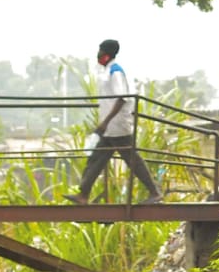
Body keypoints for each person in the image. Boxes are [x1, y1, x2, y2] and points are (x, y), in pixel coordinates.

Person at [67, 39, 161, 205]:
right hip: (110, 127)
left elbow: (121, 98)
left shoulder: (115, 72)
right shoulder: (109, 70)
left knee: (132, 160)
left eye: (100, 51)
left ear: (106, 53)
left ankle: (155, 193)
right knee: (96, 159)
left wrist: (106, 122)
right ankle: (83, 194)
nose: (98, 54)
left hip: (117, 126)